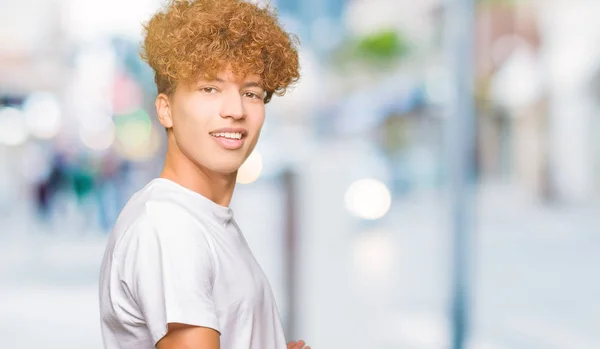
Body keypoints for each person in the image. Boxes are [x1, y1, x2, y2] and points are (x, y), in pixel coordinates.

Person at [98, 1, 309, 348]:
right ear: (166, 110)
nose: (235, 110)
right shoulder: (170, 226)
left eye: (251, 92)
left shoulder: (201, 218)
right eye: (209, 88)